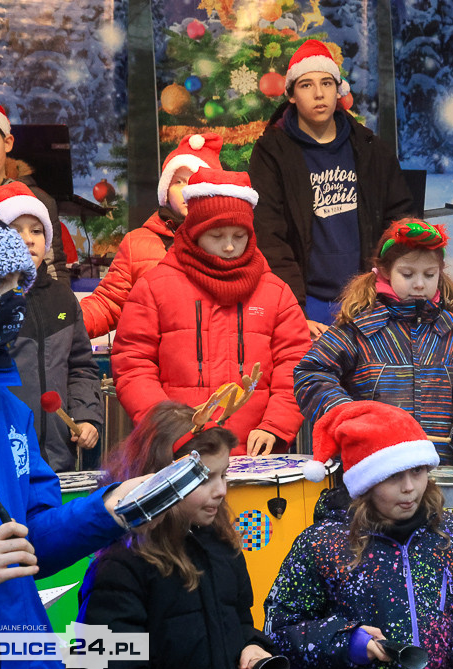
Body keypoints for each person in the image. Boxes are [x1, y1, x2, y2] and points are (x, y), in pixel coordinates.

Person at [0, 220, 148, 669]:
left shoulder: (11, 412)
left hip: (26, 660)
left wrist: (109, 510)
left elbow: (33, 540)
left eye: (17, 286)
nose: (13, 301)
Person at [265, 400, 453, 669]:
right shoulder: (321, 544)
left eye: (417, 471)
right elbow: (279, 632)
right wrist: (347, 642)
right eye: (393, 476)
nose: (409, 487)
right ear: (366, 481)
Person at [112, 168, 311, 456]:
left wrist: (276, 425)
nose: (229, 246)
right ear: (195, 232)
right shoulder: (154, 288)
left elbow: (296, 364)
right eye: (216, 235)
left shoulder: (276, 293)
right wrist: (167, 429)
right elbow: (133, 364)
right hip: (177, 453)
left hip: (256, 455)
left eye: (239, 236)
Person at [78, 401, 277, 669]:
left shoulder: (222, 545)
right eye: (204, 479)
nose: (221, 490)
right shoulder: (119, 565)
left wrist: (252, 646)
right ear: (159, 479)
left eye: (224, 474)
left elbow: (240, 622)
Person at [248, 39, 413, 337]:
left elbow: (400, 222)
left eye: (326, 83)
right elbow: (270, 237)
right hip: (306, 303)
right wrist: (292, 311)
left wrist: (388, 294)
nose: (319, 93)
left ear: (338, 90)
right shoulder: (272, 153)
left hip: (370, 300)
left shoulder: (370, 148)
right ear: (291, 95)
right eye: (306, 85)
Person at [294, 218, 453, 466]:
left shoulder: (451, 334)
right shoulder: (359, 327)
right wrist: (348, 415)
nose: (419, 284)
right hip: (372, 469)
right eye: (407, 274)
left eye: (429, 274)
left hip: (437, 470)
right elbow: (310, 374)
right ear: (385, 271)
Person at [0, 183, 101, 471]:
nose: (28, 239)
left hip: (58, 459)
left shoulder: (62, 298)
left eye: (37, 231)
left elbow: (81, 366)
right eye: (15, 230)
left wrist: (86, 415)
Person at [81, 132, 223, 339]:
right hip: (156, 355)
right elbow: (108, 303)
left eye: (196, 181)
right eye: (179, 182)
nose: (187, 191)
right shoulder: (137, 243)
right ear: (166, 191)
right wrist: (64, 323)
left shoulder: (231, 241)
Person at [0, 97, 69, 283]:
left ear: (7, 143)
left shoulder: (37, 200)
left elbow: (53, 267)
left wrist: (59, 300)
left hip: (31, 297)